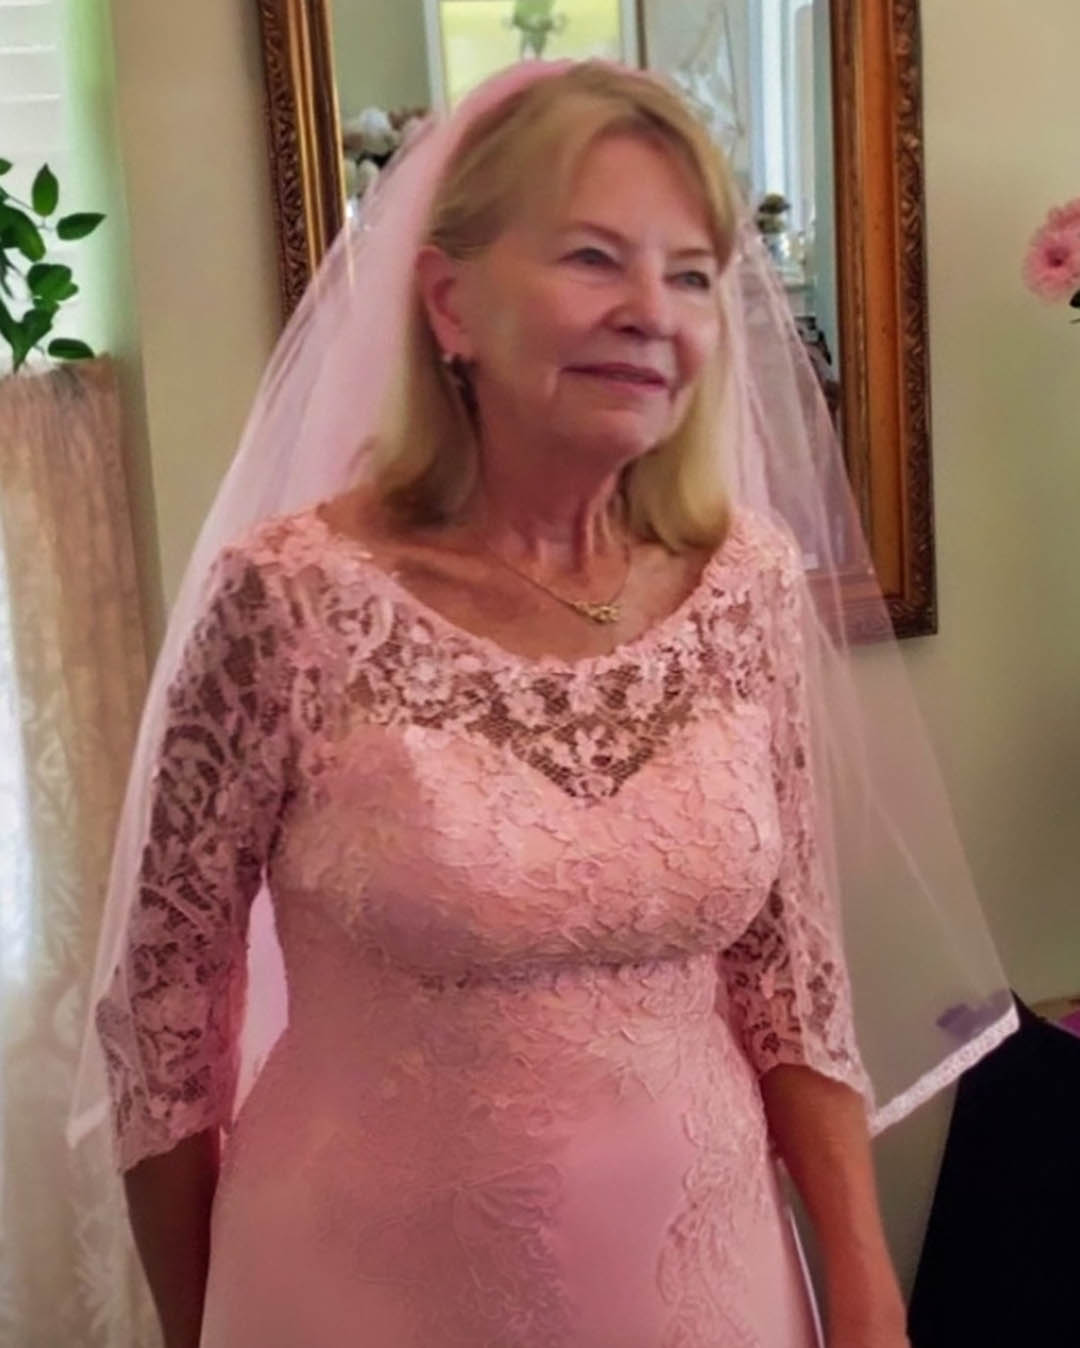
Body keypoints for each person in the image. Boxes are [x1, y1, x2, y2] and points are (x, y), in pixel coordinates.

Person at [71, 61, 1015, 1348]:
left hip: (708, 1286)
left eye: (693, 274)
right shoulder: (288, 599)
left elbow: (795, 989)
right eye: (592, 258)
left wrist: (863, 1291)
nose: (652, 312)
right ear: (449, 303)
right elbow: (162, 1020)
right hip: (356, 1293)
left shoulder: (746, 585)